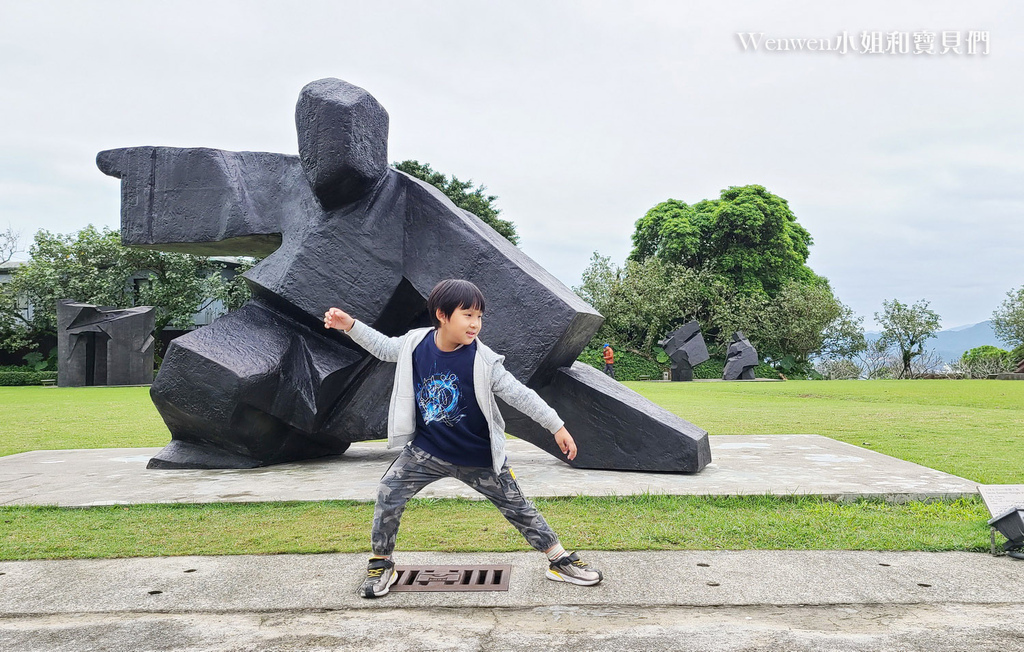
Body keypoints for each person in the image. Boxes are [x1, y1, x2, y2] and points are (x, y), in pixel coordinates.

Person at [324, 279, 603, 598]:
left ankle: (559, 560)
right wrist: (351, 326)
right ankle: (382, 563)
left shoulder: (484, 361)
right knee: (389, 491)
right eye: (468, 315)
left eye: (480, 316)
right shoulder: (416, 343)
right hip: (426, 452)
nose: (475, 324)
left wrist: (556, 425)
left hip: (479, 458)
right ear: (442, 315)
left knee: (519, 508)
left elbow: (520, 395)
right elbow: (385, 348)